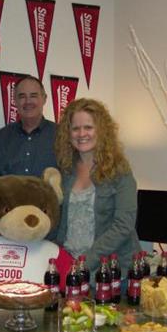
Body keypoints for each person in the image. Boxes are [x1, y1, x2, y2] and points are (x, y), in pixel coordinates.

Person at [54, 98, 139, 280]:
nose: (81, 133)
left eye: (88, 127)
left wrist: (86, 262)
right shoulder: (66, 171)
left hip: (110, 272)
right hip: (71, 268)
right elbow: (62, 223)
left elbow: (123, 225)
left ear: (101, 130)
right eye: (75, 128)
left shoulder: (119, 171)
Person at [0, 75, 57, 177]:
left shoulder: (61, 136)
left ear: (44, 99)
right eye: (22, 96)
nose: (28, 101)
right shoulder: (0, 138)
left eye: (33, 96)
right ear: (15, 101)